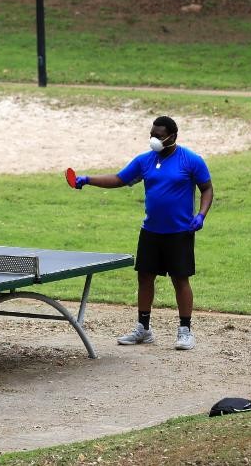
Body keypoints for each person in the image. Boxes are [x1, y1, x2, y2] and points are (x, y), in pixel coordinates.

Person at [73, 116, 213, 350]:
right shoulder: (145, 161)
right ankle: (144, 329)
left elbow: (206, 188)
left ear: (172, 137)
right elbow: (119, 179)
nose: (153, 139)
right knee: (145, 277)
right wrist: (88, 180)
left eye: (158, 135)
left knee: (180, 280)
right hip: (151, 231)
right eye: (151, 134)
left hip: (180, 232)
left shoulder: (191, 160)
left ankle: (185, 331)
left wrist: (201, 215)